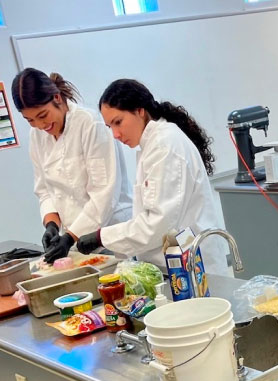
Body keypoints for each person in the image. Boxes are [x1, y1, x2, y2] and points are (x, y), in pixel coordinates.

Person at [75, 79, 230, 275]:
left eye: (118, 122)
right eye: (109, 127)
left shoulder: (165, 146)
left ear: (139, 110)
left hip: (191, 268)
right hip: (173, 265)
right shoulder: (152, 145)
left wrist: (101, 237)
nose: (115, 134)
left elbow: (157, 226)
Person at [11, 68, 132, 263]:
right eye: (30, 120)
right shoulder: (37, 136)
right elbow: (44, 190)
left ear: (57, 98)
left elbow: (104, 194)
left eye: (43, 115)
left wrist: (69, 237)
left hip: (109, 235)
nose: (40, 125)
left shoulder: (90, 124)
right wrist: (51, 224)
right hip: (75, 242)